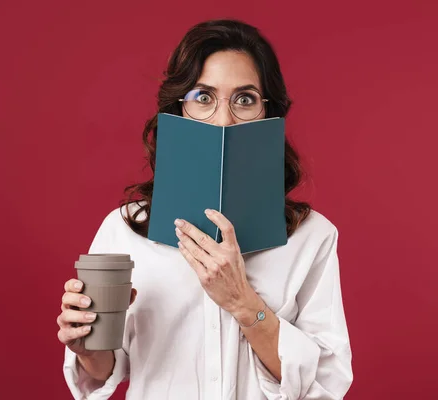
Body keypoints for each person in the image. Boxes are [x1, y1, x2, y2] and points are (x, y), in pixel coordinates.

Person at [57, 19, 353, 400]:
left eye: (244, 99)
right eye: (203, 97)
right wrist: (86, 348)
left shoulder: (312, 237)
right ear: (179, 109)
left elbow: (324, 383)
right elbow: (106, 368)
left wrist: (243, 302)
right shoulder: (126, 229)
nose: (224, 119)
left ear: (269, 112)